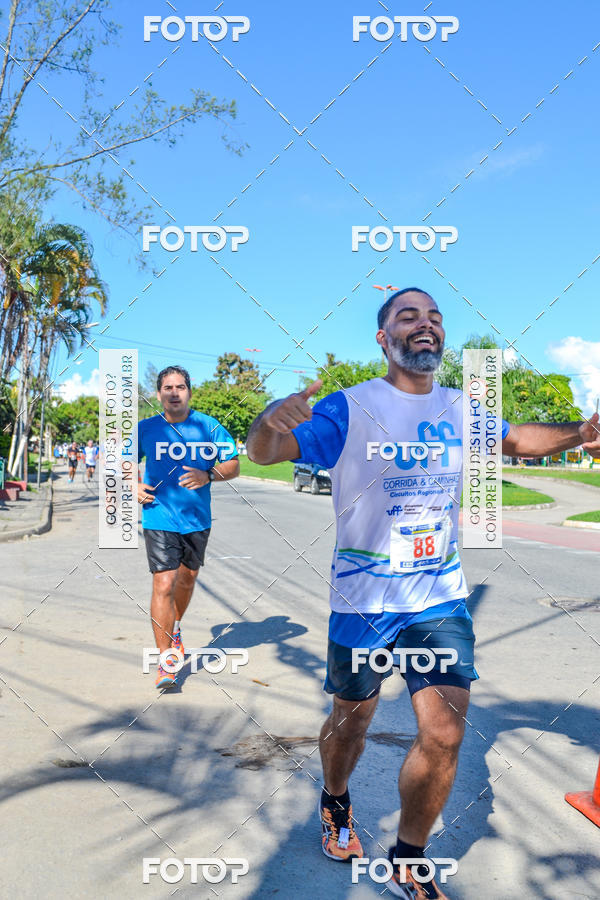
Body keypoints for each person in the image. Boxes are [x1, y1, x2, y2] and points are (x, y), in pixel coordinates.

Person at [246, 287, 600, 898]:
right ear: (383, 338)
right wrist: (266, 424)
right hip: (363, 604)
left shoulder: (460, 408)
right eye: (408, 316)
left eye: (434, 317)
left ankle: (409, 855)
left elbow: (518, 439)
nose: (425, 324)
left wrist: (580, 431)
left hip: (437, 600)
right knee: (351, 722)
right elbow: (270, 451)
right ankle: (335, 797)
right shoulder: (350, 407)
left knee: (445, 733)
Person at [137, 365, 240, 689]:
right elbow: (123, 463)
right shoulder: (145, 429)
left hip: (197, 520)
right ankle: (166, 661)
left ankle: (175, 627)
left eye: (180, 387)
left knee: (186, 580)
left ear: (189, 392)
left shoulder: (207, 426)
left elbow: (233, 464)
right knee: (164, 584)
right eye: (167, 387)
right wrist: (132, 484)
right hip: (158, 515)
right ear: (158, 395)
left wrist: (208, 474)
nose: (174, 392)